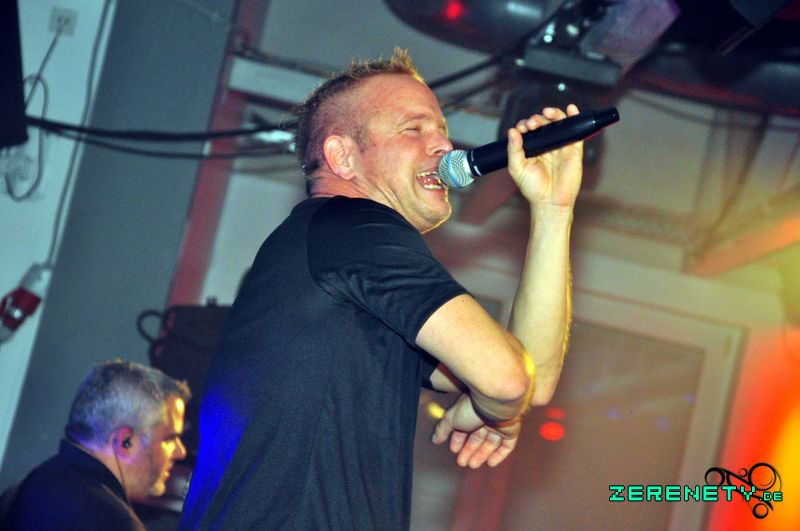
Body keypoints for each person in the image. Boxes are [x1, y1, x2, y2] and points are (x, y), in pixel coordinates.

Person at [180, 48, 582, 530]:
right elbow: (507, 379)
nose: (443, 146)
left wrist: (553, 210)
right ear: (343, 157)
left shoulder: (345, 274)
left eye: (441, 131)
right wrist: (498, 411)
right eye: (413, 129)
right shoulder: (352, 226)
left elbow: (533, 378)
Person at [4, 360, 190, 530]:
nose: (180, 452)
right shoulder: (115, 524)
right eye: (169, 439)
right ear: (126, 442)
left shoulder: (29, 485)